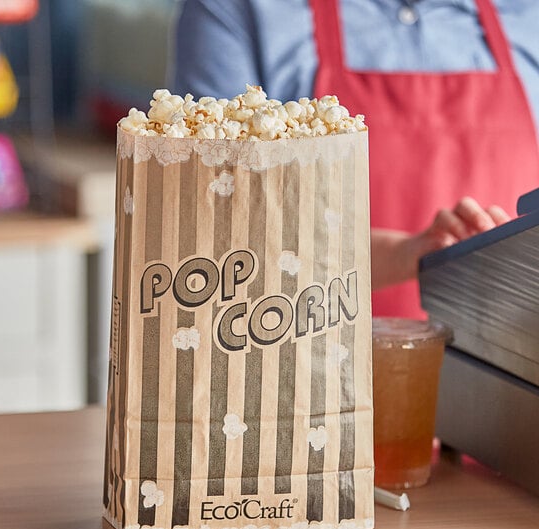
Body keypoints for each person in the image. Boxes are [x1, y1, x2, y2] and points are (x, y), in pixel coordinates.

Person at [170, 0, 539, 318]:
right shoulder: (240, 10)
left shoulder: (527, 15)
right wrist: (411, 254)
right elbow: (219, 234)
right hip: (304, 373)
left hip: (505, 382)